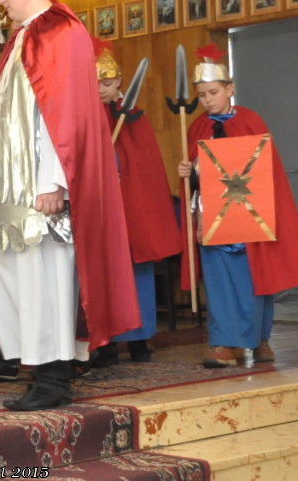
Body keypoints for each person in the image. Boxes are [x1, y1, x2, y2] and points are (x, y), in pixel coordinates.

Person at [0, 0, 139, 411]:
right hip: (9, 185)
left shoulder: (62, 32)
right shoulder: (22, 38)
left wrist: (55, 180)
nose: (1, 0)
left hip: (41, 186)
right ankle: (28, 365)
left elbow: (68, 112)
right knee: (9, 277)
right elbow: (11, 117)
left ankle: (54, 377)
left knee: (44, 280)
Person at [176, 45, 298, 368]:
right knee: (220, 283)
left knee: (254, 279)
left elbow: (264, 170)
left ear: (230, 89)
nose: (207, 100)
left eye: (213, 92)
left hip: (249, 215)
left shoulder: (251, 121)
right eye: (201, 95)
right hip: (213, 218)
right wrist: (188, 172)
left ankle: (260, 339)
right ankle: (225, 343)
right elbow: (197, 176)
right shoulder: (196, 127)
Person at [92, 41, 181, 365]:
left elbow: (144, 166)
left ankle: (140, 340)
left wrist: (122, 172)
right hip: (101, 209)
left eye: (106, 82)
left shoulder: (132, 116)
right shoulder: (86, 116)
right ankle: (106, 343)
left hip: (131, 207)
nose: (101, 89)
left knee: (136, 270)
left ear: (119, 81)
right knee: (102, 274)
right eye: (95, 83)